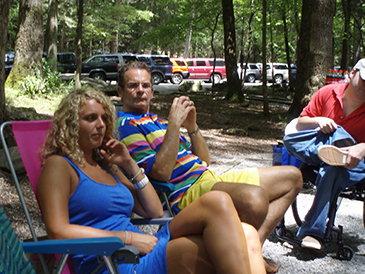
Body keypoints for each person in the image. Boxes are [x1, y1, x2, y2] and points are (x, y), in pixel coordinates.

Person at [37, 87, 266, 274]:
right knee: (222, 213)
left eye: (104, 118)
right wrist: (129, 238)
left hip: (140, 249)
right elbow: (58, 231)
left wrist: (128, 164)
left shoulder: (107, 165)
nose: (101, 125)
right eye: (90, 119)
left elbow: (155, 210)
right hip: (112, 261)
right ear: (71, 125)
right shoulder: (60, 165)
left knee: (244, 228)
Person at [116, 61, 303, 273]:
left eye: (146, 85)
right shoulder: (126, 126)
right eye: (133, 85)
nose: (141, 90)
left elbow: (204, 160)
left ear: (152, 90)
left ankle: (253, 248)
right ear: (120, 91)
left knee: (292, 177)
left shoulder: (159, 121)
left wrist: (192, 127)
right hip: (186, 192)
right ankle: (246, 253)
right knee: (254, 200)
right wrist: (175, 125)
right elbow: (161, 173)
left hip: (209, 178)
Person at [283, 58, 365, 250]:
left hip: (356, 163)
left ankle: (313, 233)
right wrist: (318, 121)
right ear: (352, 73)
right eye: (364, 79)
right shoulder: (328, 92)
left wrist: (362, 147)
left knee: (332, 167)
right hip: (317, 151)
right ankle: (332, 150)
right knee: (290, 139)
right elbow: (300, 124)